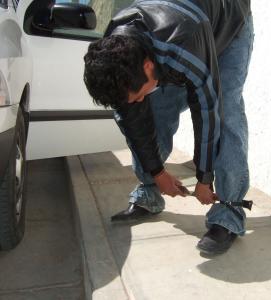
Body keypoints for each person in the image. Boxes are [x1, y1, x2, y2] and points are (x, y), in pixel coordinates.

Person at [83, 0, 254, 255]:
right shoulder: (116, 49)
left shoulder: (184, 45)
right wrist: (158, 173)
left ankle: (228, 213)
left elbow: (208, 110)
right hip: (180, 37)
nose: (137, 100)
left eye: (138, 93)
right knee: (153, 108)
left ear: (148, 66)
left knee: (225, 108)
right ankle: (150, 191)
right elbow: (133, 118)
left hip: (228, 30)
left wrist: (204, 179)